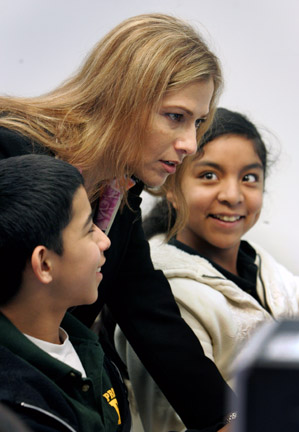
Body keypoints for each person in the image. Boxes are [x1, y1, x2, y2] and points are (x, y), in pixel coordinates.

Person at [0, 14, 234, 431]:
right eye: (175, 116)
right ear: (123, 97)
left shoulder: (118, 194)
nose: (190, 144)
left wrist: (231, 417)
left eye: (198, 122)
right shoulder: (10, 153)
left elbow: (151, 316)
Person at [115, 107, 299, 432]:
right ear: (170, 187)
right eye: (209, 175)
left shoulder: (270, 272)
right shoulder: (164, 300)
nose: (232, 195)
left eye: (249, 178)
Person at [0, 154, 135, 431]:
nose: (105, 240)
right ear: (45, 264)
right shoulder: (17, 408)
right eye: (89, 229)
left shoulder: (84, 345)